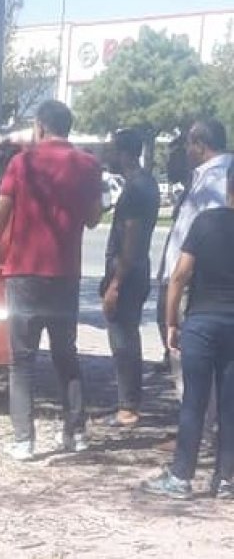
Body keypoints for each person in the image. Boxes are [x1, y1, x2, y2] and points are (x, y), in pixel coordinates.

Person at [0, 99, 103, 461]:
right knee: (66, 356)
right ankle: (76, 433)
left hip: (24, 273)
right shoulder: (88, 165)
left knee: (22, 360)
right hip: (65, 275)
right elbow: (93, 219)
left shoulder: (22, 163)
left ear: (40, 127)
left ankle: (24, 440)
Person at [141, 162, 234, 501]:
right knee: (230, 404)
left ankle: (182, 477)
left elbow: (179, 275)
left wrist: (171, 322)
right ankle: (226, 479)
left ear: (228, 186)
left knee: (194, 402)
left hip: (202, 322)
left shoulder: (205, 222)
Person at [100, 129, 160, 427]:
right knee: (127, 335)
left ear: (124, 153)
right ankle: (128, 403)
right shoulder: (146, 184)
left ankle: (128, 407)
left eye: (112, 150)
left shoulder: (136, 189)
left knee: (122, 340)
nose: (108, 156)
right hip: (138, 269)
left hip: (128, 272)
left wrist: (114, 284)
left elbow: (132, 240)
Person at [155, 132, 190, 371]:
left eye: (174, 156)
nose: (169, 164)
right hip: (171, 275)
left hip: (185, 277)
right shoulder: (190, 189)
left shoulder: (204, 189)